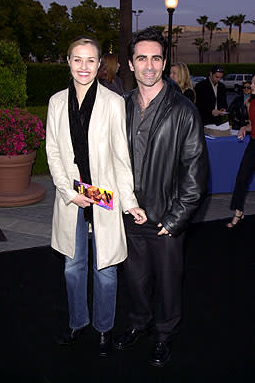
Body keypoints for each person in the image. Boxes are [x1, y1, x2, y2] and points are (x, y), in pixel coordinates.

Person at [46, 36, 147, 356]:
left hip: (104, 198)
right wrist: (67, 191)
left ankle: (103, 327)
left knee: (106, 269)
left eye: (91, 60)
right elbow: (52, 152)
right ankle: (78, 321)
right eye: (78, 59)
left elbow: (121, 157)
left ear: (100, 64)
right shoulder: (56, 102)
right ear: (68, 61)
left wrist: (129, 202)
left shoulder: (114, 102)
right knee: (72, 267)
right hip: (72, 198)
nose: (84, 66)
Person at [114, 27, 209, 367]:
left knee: (169, 284)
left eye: (156, 58)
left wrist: (174, 220)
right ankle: (139, 323)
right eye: (142, 58)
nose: (149, 66)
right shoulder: (119, 107)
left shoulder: (184, 110)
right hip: (127, 215)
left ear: (165, 62)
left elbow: (196, 174)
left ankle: (166, 333)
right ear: (130, 63)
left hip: (165, 219)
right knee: (135, 281)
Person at [227, 74, 255, 228]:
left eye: (254, 83)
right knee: (242, 177)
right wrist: (245, 127)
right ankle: (238, 212)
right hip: (253, 144)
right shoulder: (249, 102)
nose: (251, 85)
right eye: (251, 82)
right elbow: (252, 125)